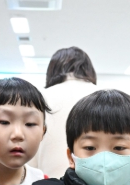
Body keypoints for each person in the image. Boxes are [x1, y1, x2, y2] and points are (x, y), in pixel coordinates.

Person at [31, 47, 100, 178]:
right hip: (98, 184)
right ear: (89, 69)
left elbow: (29, 158)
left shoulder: (38, 98)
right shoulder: (106, 97)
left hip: (47, 184)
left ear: (52, 71)